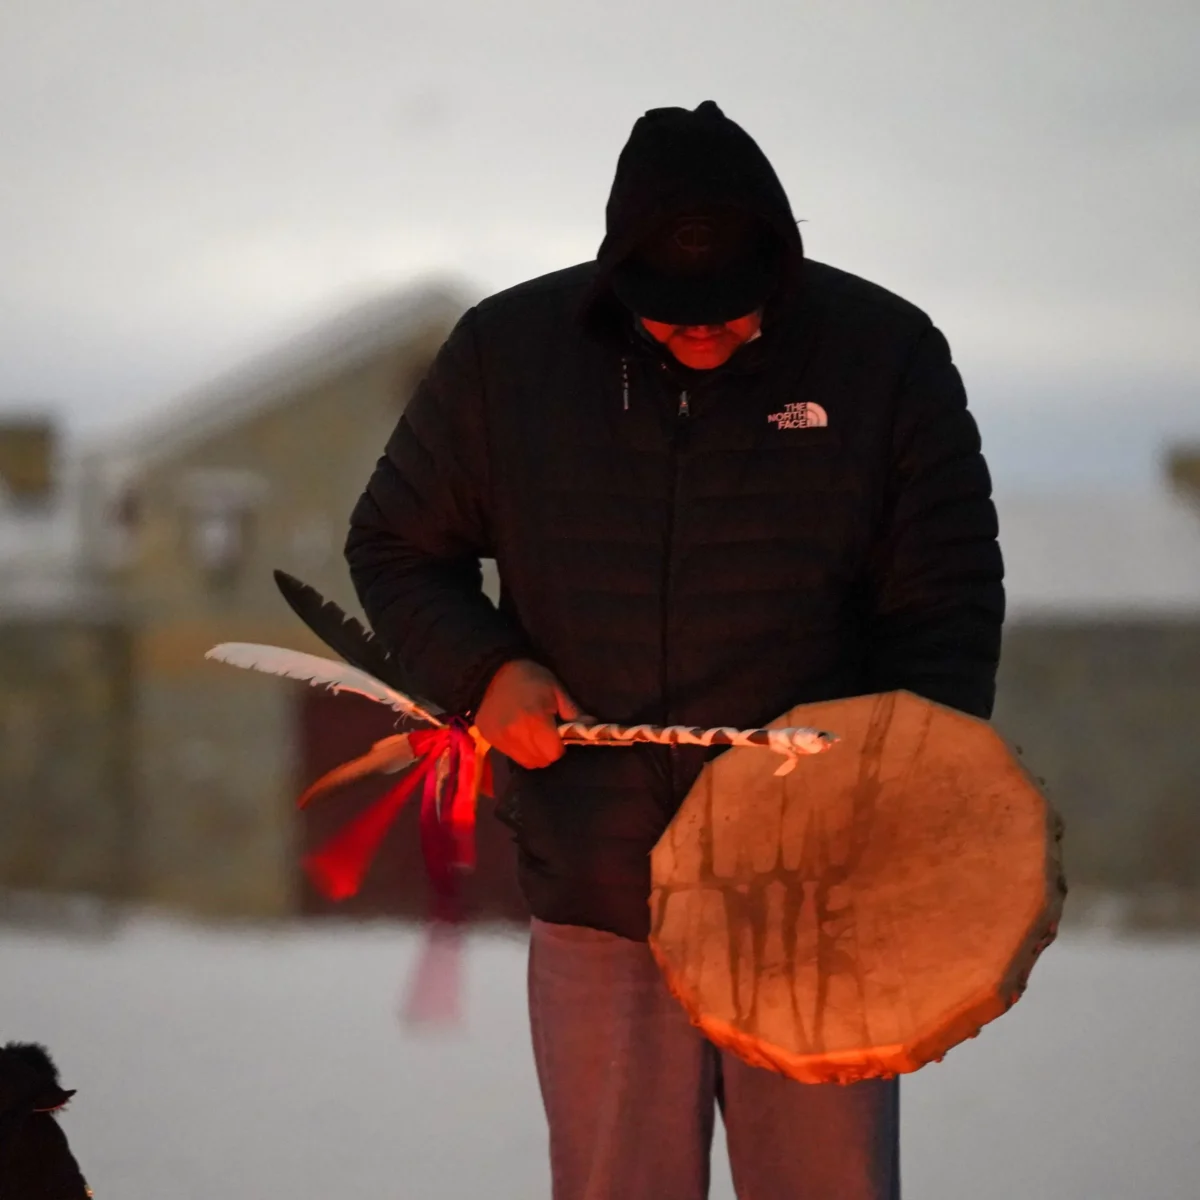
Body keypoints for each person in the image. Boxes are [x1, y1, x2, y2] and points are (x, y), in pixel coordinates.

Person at [345, 100, 1004, 1200]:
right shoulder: (508, 360)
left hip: (815, 907)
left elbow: (947, 608)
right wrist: (484, 671)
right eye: (672, 314)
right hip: (600, 891)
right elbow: (396, 545)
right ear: (618, 278)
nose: (702, 333)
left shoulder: (885, 357)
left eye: (731, 312)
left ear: (781, 269)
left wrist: (888, 803)